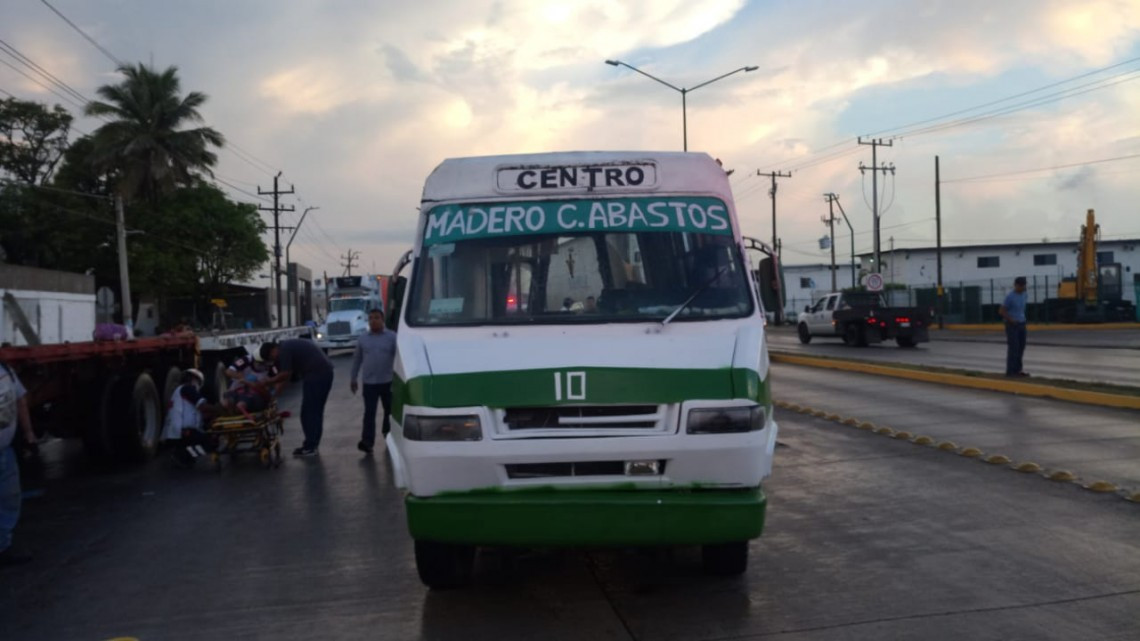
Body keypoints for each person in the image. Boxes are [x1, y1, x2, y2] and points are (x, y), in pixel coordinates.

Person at [261, 339, 334, 457]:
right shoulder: (287, 345)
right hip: (322, 373)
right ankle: (311, 445)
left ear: (273, 350)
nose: (274, 360)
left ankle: (310, 447)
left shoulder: (284, 350)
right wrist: (274, 396)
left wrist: (268, 382)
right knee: (313, 412)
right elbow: (287, 377)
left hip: (316, 375)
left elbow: (285, 374)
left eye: (272, 357)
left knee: (309, 413)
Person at [1, 361, 36, 566]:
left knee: (8, 500)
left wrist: (29, 433)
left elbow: (20, 401)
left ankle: (2, 546)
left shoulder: (6, 371)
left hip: (4, 452)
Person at [350, 308, 397, 454]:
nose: (373, 321)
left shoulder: (392, 337)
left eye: (376, 318)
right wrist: (353, 378)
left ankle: (389, 435)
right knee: (369, 413)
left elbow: (399, 358)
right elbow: (357, 359)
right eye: (370, 318)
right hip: (369, 383)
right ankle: (367, 442)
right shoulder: (363, 338)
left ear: (382, 320)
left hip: (388, 381)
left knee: (390, 411)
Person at [162, 369, 219, 468]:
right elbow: (203, 407)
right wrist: (219, 409)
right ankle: (184, 454)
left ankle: (184, 453)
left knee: (204, 436)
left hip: (174, 433)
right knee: (212, 443)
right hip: (183, 432)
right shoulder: (188, 389)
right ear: (195, 380)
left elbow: (198, 414)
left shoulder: (179, 391)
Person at [999, 276, 1029, 377]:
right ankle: (1010, 371)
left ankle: (1018, 370)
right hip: (1012, 325)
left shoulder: (1025, 294)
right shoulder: (1010, 297)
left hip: (1022, 323)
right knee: (1014, 348)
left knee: (1021, 347)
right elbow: (1002, 311)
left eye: (1024, 285)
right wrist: (1011, 320)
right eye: (1020, 285)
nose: (1022, 287)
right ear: (1015, 285)